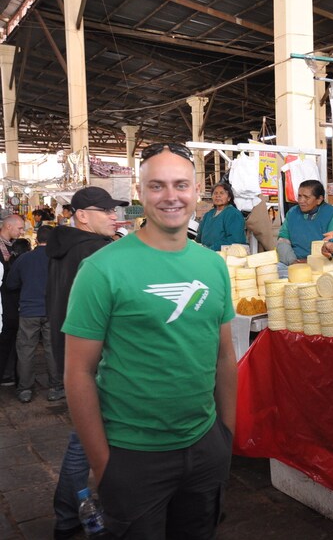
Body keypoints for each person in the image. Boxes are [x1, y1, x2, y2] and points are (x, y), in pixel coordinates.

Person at [64, 142, 237, 539]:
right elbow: (78, 373)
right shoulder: (101, 269)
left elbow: (224, 357)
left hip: (204, 444)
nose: (171, 196)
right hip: (132, 455)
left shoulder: (213, 265)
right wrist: (103, 464)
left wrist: (224, 437)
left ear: (197, 192)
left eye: (181, 184)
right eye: (157, 186)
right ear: (140, 195)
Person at [47, 186, 128, 539]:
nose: (115, 216)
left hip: (70, 352)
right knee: (87, 439)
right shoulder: (96, 252)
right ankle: (70, 517)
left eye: (115, 210)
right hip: (99, 359)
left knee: (85, 434)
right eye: (106, 210)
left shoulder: (60, 247)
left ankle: (69, 515)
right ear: (81, 215)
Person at [7, 226, 56, 403]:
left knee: (26, 350)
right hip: (52, 310)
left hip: (28, 311)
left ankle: (25, 389)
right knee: (52, 349)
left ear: (36, 241)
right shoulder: (58, 259)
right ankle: (55, 387)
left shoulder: (24, 259)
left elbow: (11, 283)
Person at [277, 179, 333, 265]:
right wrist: (292, 262)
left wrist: (310, 262)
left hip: (324, 264)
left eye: (306, 197)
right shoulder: (292, 213)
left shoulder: (332, 215)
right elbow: (283, 240)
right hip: (294, 263)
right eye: (299, 196)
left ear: (319, 199)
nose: (301, 201)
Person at [0, 214, 25, 387]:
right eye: (20, 228)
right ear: (9, 226)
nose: (22, 231)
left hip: (10, 299)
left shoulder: (11, 245)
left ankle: (7, 373)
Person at [196, 181, 246, 250]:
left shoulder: (234, 214)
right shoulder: (208, 215)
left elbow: (234, 240)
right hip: (206, 253)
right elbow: (199, 237)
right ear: (212, 197)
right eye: (215, 193)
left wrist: (211, 249)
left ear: (229, 198)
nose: (218, 195)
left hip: (224, 255)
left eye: (221, 193)